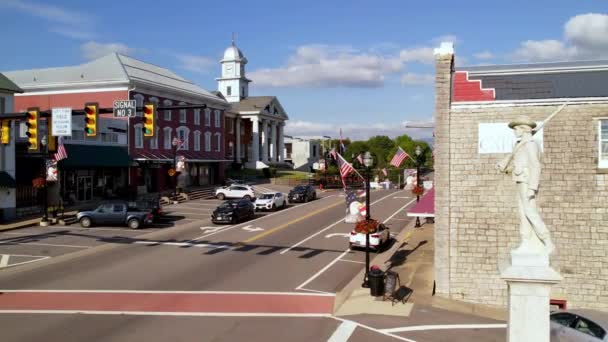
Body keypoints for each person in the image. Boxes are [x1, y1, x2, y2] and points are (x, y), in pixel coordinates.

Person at [496, 115, 555, 254]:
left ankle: (547, 241)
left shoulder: (530, 144)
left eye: (516, 128)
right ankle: (526, 241)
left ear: (523, 129)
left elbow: (535, 166)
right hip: (520, 180)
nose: (514, 131)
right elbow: (520, 164)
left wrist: (532, 188)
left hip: (527, 182)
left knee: (530, 212)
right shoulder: (520, 144)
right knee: (523, 214)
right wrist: (506, 169)